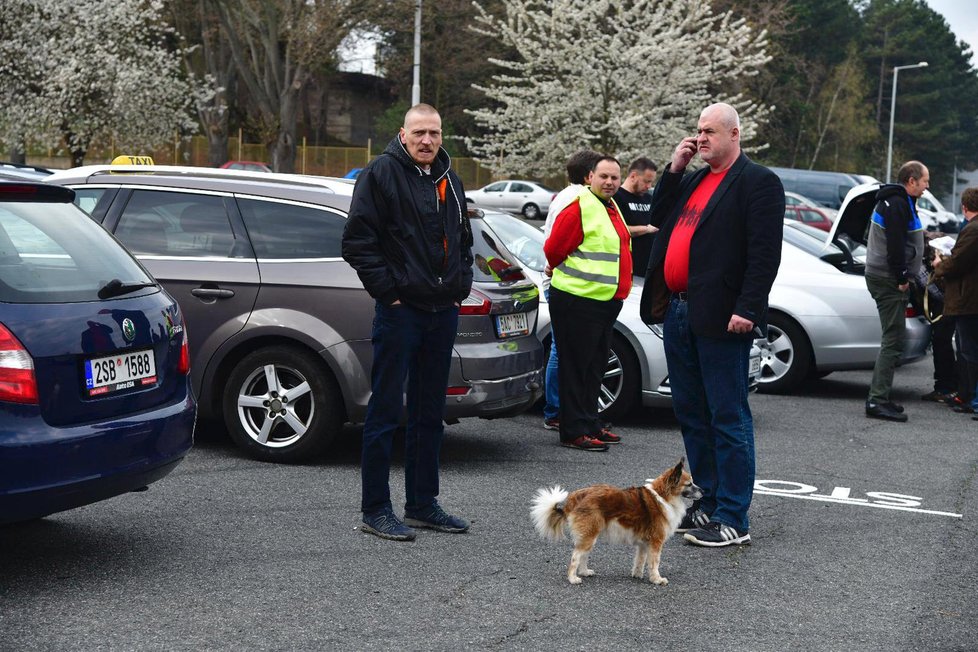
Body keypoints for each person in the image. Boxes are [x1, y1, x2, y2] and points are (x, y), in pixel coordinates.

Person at [639, 102, 784, 547]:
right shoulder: (697, 177)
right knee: (692, 413)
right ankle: (707, 504)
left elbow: (764, 254)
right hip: (680, 310)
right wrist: (675, 169)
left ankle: (734, 517)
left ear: (734, 135)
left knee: (727, 414)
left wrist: (749, 307)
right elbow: (659, 218)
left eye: (709, 132)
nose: (700, 138)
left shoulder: (758, 182)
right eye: (698, 131)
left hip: (723, 315)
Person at [341, 103, 473, 541]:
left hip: (442, 311)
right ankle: (375, 509)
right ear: (403, 134)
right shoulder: (380, 174)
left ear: (441, 135)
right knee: (384, 413)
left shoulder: (449, 178)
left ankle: (421, 504)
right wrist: (390, 293)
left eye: (434, 133)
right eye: (419, 133)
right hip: (401, 313)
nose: (427, 141)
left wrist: (460, 284)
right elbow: (357, 242)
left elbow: (462, 238)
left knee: (429, 413)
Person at [544, 155, 632, 451]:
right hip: (576, 299)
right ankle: (573, 431)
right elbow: (554, 248)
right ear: (589, 177)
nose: (609, 182)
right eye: (604, 176)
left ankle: (590, 422)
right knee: (576, 369)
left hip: (603, 301)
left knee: (594, 367)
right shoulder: (580, 204)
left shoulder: (609, 205)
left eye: (614, 177)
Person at [540, 150, 603, 432]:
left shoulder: (567, 196)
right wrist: (555, 265)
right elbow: (558, 243)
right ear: (589, 174)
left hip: (565, 280)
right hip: (565, 283)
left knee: (563, 349)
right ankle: (556, 410)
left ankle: (562, 409)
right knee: (561, 349)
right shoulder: (577, 199)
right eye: (602, 173)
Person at [863, 160, 929, 423]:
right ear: (911, 181)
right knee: (893, 340)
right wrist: (902, 276)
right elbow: (895, 245)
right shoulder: (897, 204)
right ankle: (877, 400)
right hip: (888, 279)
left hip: (887, 277)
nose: (927, 186)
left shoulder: (900, 202)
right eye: (925, 180)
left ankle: (882, 396)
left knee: (894, 339)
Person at [932, 186, 978, 419]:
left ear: (964, 206)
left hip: (969, 299)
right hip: (970, 298)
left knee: (968, 350)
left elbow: (959, 262)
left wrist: (939, 264)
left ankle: (970, 397)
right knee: (967, 347)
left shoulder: (972, 229)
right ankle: (967, 395)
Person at [613, 157, 659, 277]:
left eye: (651, 182)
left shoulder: (649, 199)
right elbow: (616, 230)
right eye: (646, 181)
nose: (649, 186)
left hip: (648, 268)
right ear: (633, 176)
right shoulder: (616, 198)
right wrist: (646, 229)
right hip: (628, 268)